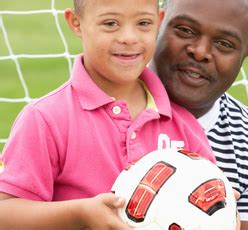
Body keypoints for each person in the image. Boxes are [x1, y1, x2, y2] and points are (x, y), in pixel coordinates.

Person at [0, 0, 215, 229]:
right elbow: (5, 212)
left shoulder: (182, 123)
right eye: (111, 23)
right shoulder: (45, 119)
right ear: (76, 23)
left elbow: (212, 203)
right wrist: (79, 213)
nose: (129, 37)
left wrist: (218, 205)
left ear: (159, 22)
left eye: (143, 23)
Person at [150, 0, 248, 230]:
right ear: (156, 24)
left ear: (244, 55)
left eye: (224, 43)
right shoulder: (85, 114)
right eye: (185, 30)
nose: (200, 52)